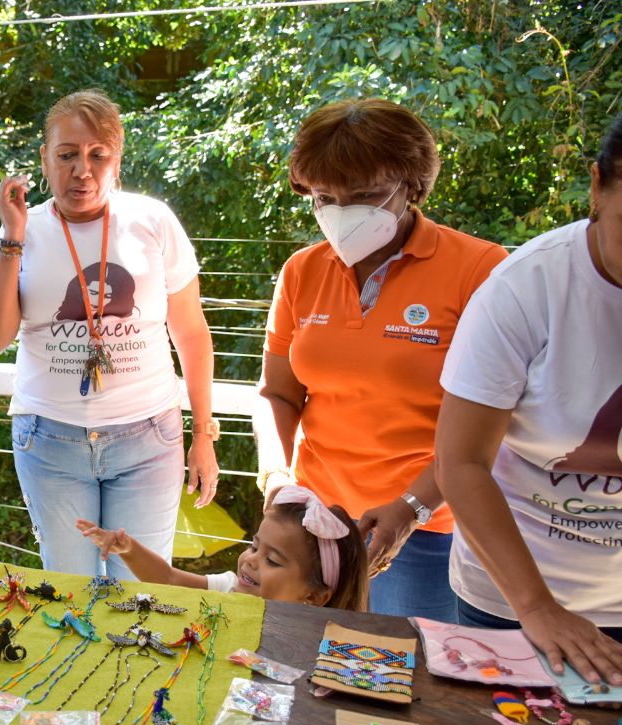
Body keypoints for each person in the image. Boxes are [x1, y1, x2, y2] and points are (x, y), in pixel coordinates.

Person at [254, 99, 508, 621]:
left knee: (403, 678)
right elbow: (278, 393)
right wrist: (277, 475)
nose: (343, 214)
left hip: (428, 529)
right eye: (325, 197)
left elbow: (495, 420)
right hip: (318, 527)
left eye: (366, 195)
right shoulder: (302, 271)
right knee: (309, 671)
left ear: (412, 185)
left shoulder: (481, 269)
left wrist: (411, 510)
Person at [0, 89, 218, 581]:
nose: (82, 170)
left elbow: (190, 331)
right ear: (45, 158)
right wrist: (12, 236)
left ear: (116, 159)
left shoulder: (153, 221)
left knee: (137, 593)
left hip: (148, 438)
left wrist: (204, 434)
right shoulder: (22, 231)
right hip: (50, 441)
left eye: (97, 155)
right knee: (74, 589)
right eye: (67, 155)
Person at [436, 115, 622, 687]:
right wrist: (537, 607)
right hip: (516, 599)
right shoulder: (524, 289)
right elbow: (460, 462)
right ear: (597, 187)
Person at [77, 484, 368, 611]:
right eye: (254, 547)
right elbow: (168, 579)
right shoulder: (229, 589)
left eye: (273, 561)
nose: (251, 561)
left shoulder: (314, 642)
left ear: (315, 596)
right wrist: (129, 550)